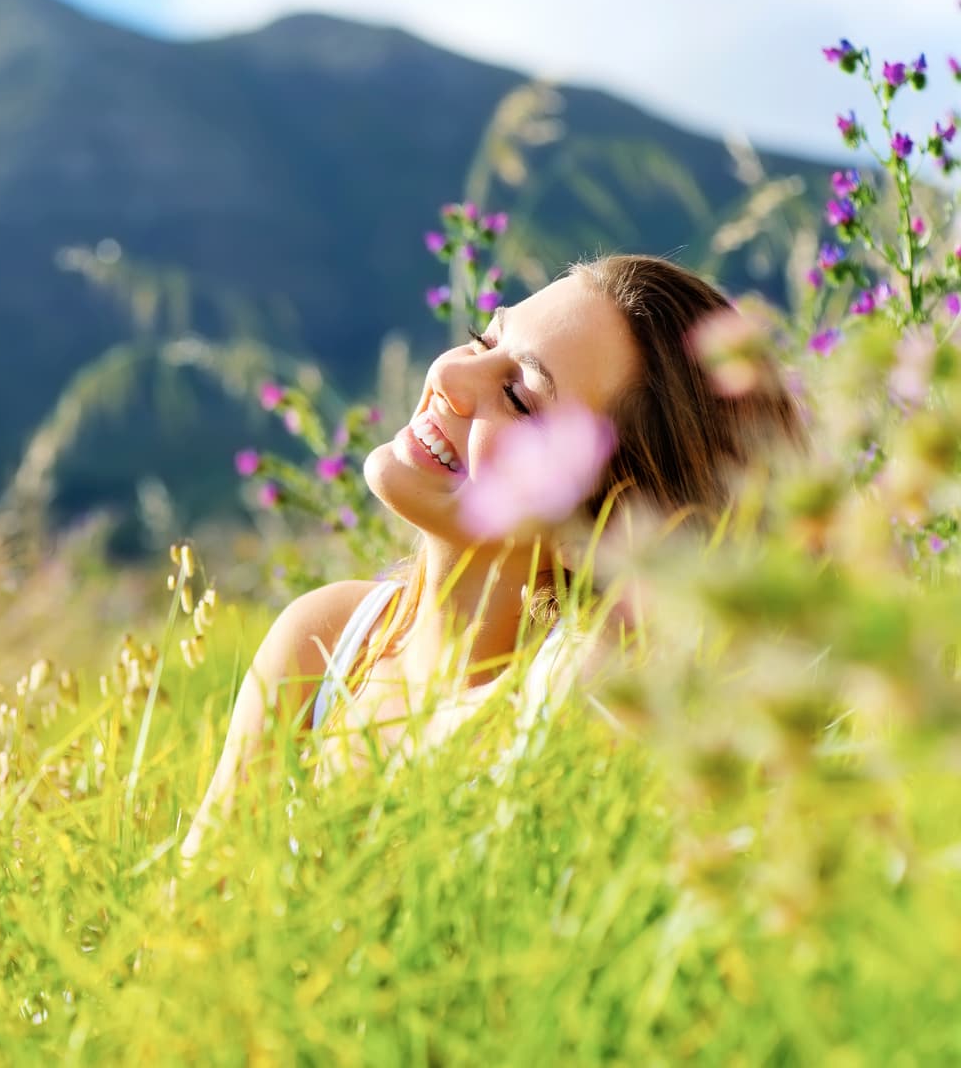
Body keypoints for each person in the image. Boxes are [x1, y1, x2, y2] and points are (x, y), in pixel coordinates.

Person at [180, 253, 801, 862]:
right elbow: (188, 920)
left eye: (521, 398)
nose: (450, 378)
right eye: (483, 340)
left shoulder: (570, 704)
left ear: (610, 519)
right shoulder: (325, 640)